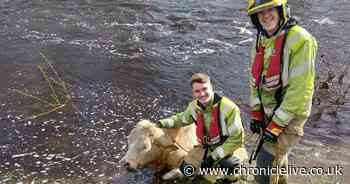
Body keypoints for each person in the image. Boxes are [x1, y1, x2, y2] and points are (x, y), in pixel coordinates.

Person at [247, 0, 318, 183]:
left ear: (281, 10)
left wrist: (277, 124)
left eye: (270, 9)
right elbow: (255, 82)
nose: (265, 15)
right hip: (269, 113)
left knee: (264, 168)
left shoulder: (301, 40)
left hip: (290, 115)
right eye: (260, 12)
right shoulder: (261, 39)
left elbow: (300, 91)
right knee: (278, 163)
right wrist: (256, 112)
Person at [159, 73, 247, 184]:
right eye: (197, 91)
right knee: (186, 170)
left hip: (228, 149)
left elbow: (236, 140)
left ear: (212, 88)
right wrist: (162, 123)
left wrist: (212, 158)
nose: (202, 94)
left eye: (205, 89)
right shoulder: (194, 106)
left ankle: (232, 180)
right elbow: (182, 119)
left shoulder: (229, 108)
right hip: (206, 147)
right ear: (193, 93)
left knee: (229, 165)